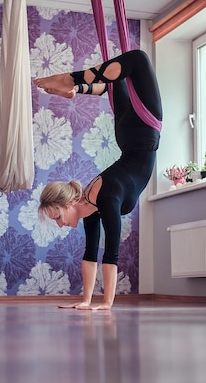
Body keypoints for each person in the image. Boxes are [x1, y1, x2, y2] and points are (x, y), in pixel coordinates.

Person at [35, 49, 162, 310]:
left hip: (141, 131)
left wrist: (107, 303)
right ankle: (73, 88)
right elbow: (91, 254)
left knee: (136, 60)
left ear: (69, 203)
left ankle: (70, 81)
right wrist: (85, 300)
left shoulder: (105, 195)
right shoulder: (89, 206)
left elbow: (112, 254)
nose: (60, 225)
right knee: (114, 84)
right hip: (130, 133)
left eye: (58, 216)